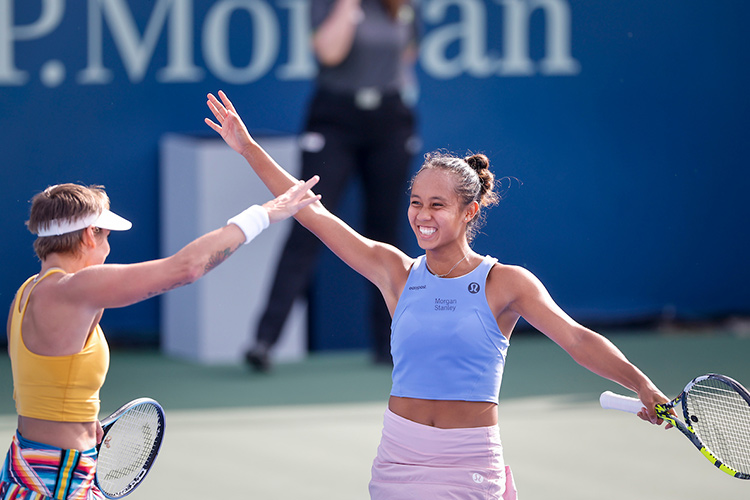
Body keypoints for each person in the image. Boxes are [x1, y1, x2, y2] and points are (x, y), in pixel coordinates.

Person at [206, 90, 671, 499]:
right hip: (397, 460)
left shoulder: (506, 283)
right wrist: (247, 149)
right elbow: (311, 211)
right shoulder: (395, 272)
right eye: (415, 202)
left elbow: (576, 339)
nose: (422, 215)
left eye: (437, 205)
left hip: (468, 465)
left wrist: (644, 386)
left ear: (469, 211)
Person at [2, 179, 319, 499]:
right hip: (57, 478)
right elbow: (186, 269)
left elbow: (48, 385)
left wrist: (82, 420)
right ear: (89, 235)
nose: (108, 249)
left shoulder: (27, 294)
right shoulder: (74, 290)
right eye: (106, 237)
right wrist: (263, 214)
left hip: (31, 466)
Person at [244, 0, 420, 370]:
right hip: (334, 119)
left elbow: (407, 52)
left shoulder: (402, 4)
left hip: (390, 121)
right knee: (307, 220)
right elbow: (330, 51)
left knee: (386, 233)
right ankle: (265, 340)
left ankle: (390, 344)